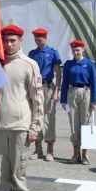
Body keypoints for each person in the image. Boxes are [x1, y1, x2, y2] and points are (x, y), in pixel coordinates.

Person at [0, 25, 44, 191]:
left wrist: (35, 127)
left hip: (21, 127)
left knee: (18, 172)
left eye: (13, 40)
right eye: (5, 40)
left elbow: (37, 99)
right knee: (1, 172)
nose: (8, 44)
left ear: (21, 40)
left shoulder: (29, 65)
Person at [60, 40, 96, 165]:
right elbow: (65, 82)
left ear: (83, 50)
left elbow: (94, 83)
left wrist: (94, 100)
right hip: (72, 93)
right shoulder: (68, 64)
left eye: (78, 50)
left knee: (85, 123)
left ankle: (85, 154)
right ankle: (76, 153)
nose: (76, 52)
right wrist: (63, 100)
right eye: (74, 50)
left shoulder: (89, 64)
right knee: (73, 124)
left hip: (86, 93)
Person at [28, 28, 62, 161]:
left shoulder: (53, 52)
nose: (38, 42)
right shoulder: (32, 53)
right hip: (36, 88)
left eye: (40, 40)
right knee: (36, 117)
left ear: (46, 39)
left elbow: (58, 73)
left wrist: (56, 91)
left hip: (48, 87)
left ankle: (50, 150)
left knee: (49, 119)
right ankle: (38, 149)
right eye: (36, 40)